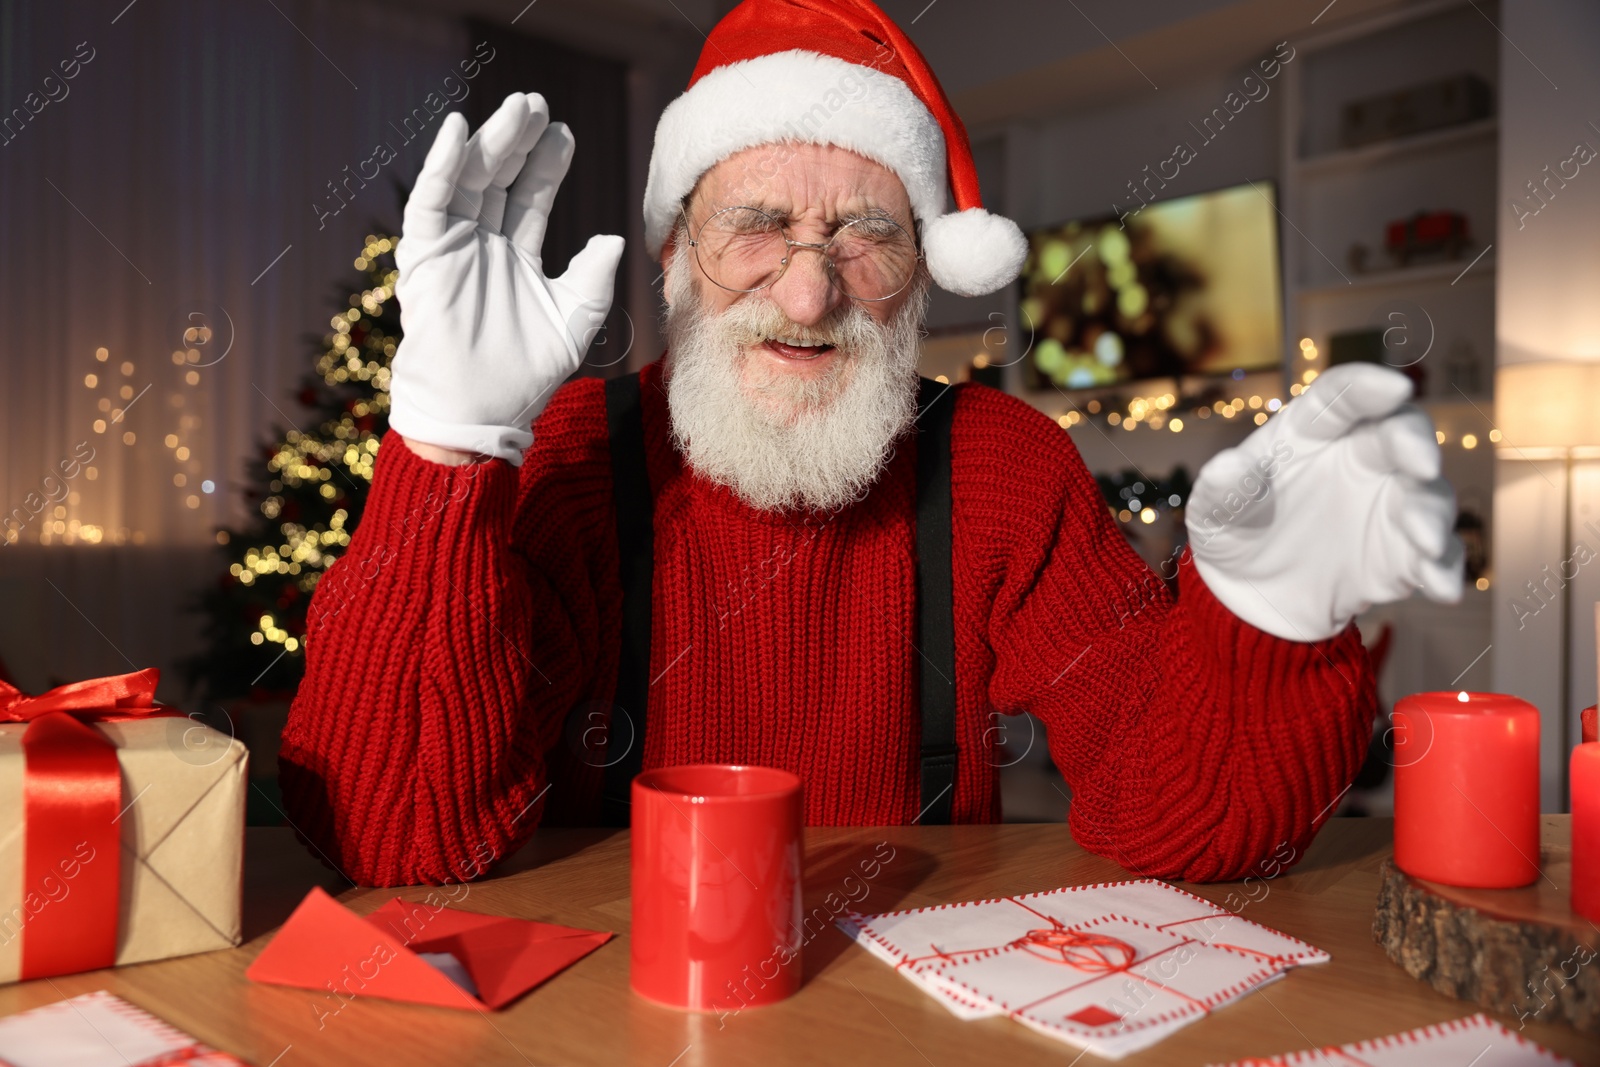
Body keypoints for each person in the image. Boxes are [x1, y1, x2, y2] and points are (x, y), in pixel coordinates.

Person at [280, 0, 1461, 888]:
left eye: (865, 236)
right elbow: (398, 847)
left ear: (924, 281)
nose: (807, 296)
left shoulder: (1003, 466)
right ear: (674, 259)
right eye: (754, 228)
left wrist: (1261, 629)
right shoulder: (580, 455)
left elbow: (1189, 835)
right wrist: (446, 444)